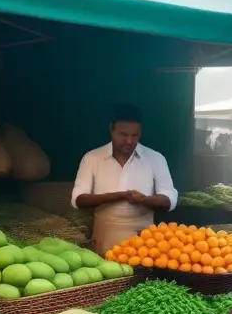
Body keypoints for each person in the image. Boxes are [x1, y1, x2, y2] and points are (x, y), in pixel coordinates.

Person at [73, 104, 178, 255]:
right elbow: (78, 200)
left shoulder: (155, 158)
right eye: (123, 135)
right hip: (105, 237)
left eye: (134, 135)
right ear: (111, 129)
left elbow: (170, 199)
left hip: (145, 241)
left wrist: (144, 200)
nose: (129, 141)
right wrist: (115, 196)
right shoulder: (92, 158)